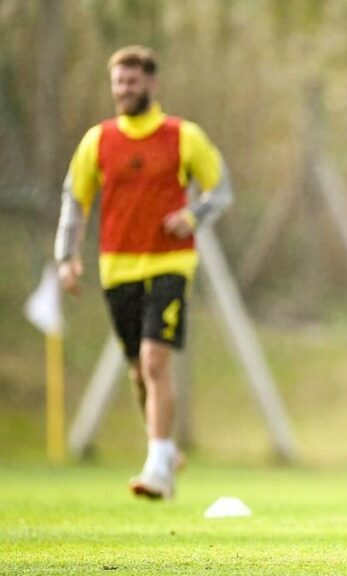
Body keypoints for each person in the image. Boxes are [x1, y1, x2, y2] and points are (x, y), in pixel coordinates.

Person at [54, 46, 232, 499]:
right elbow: (76, 199)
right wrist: (66, 257)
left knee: (155, 361)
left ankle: (157, 469)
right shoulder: (98, 140)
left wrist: (191, 217)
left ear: (151, 84)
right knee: (138, 371)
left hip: (170, 264)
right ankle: (166, 451)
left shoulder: (182, 136)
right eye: (118, 82)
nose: (124, 90)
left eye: (132, 82)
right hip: (117, 268)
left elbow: (221, 190)